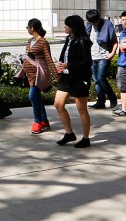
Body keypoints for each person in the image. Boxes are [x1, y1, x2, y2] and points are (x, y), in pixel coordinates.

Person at [53, 15, 93, 148]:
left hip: (79, 79)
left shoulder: (83, 41)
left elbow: (87, 63)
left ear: (73, 27)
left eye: (66, 25)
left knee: (82, 109)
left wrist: (68, 65)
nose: (64, 27)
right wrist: (60, 66)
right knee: (58, 104)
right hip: (66, 77)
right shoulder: (68, 39)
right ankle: (69, 133)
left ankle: (86, 138)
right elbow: (64, 56)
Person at [22, 18, 59, 134]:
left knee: (32, 96)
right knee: (36, 97)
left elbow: (48, 59)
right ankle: (44, 121)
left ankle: (37, 122)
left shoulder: (43, 42)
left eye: (28, 27)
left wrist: (56, 75)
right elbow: (28, 56)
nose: (27, 29)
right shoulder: (29, 41)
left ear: (32, 28)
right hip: (30, 74)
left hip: (39, 74)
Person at [86, 9, 118, 110]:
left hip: (104, 56)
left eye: (95, 21)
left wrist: (112, 53)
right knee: (96, 80)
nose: (94, 23)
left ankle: (112, 98)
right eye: (91, 22)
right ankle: (101, 102)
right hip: (92, 57)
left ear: (99, 18)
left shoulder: (107, 24)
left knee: (101, 78)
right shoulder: (88, 25)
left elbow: (115, 41)